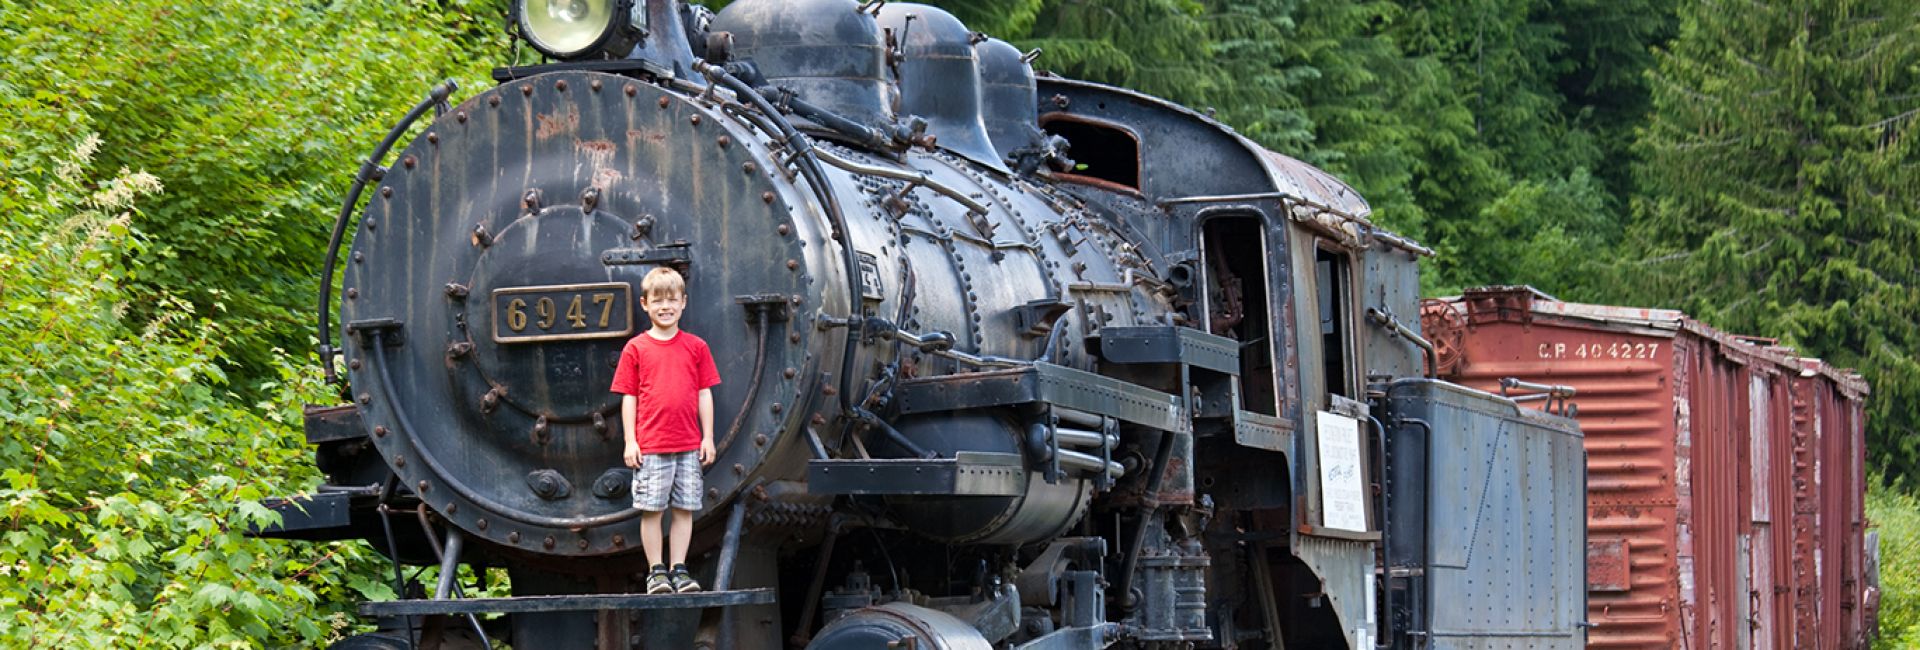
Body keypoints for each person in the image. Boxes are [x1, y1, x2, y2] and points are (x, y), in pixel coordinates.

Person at [609, 267, 720, 594]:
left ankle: (679, 569)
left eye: (672, 300)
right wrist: (630, 441)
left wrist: (708, 437)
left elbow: (704, 394)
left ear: (683, 302)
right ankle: (656, 571)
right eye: (657, 301)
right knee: (652, 510)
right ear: (645, 304)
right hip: (651, 445)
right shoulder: (636, 348)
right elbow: (629, 397)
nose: (665, 307)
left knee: (685, 509)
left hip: (688, 444)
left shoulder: (696, 347)